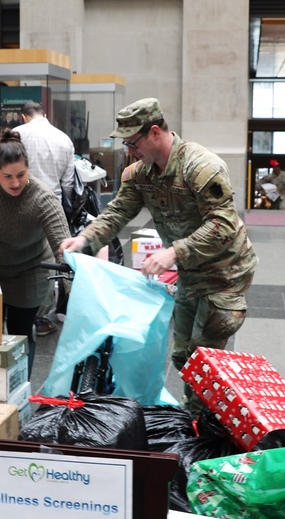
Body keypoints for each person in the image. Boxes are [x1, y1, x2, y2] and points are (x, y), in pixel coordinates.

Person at [60, 98, 258, 416]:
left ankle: (201, 425)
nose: (129, 150)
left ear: (154, 132)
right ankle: (200, 416)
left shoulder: (201, 167)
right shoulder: (141, 174)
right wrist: (84, 239)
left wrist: (173, 252)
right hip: (190, 270)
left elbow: (222, 226)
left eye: (133, 142)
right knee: (182, 355)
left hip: (225, 273)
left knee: (204, 356)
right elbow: (118, 212)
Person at [0, 129, 70, 376]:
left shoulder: (42, 198)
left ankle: (20, 387)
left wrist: (73, 273)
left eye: (21, 174)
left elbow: (62, 243)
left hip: (29, 271)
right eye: (7, 176)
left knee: (21, 335)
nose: (16, 182)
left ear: (29, 167)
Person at [14, 100, 76, 337]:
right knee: (49, 260)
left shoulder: (17, 134)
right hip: (52, 206)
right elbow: (69, 184)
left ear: (23, 116)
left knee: (19, 256)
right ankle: (40, 318)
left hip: (19, 204)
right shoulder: (64, 139)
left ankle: (16, 309)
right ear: (45, 114)